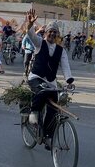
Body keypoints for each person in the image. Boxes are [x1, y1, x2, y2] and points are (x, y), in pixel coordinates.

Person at [25, 9, 74, 150]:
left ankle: (47, 135)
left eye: (55, 32)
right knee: (41, 90)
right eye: (50, 31)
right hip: (36, 77)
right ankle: (33, 113)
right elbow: (30, 34)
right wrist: (29, 24)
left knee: (54, 107)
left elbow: (65, 66)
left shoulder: (61, 50)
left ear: (57, 35)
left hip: (50, 81)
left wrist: (69, 81)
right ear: (46, 33)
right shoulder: (40, 43)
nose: (52, 34)